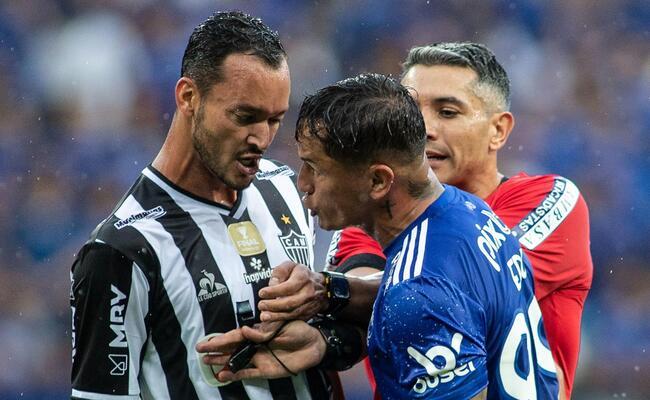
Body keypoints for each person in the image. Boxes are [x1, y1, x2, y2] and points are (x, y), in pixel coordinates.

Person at [199, 73, 559, 399]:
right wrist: (330, 295)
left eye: (316, 168)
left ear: (378, 181)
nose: (303, 184)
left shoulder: (418, 295)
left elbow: (424, 296)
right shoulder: (468, 210)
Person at [69, 11, 337, 400]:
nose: (261, 138)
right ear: (188, 97)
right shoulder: (121, 250)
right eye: (245, 117)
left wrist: (326, 305)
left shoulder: (286, 188)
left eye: (274, 120)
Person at [324, 42, 592, 399]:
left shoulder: (551, 199)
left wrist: (328, 292)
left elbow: (464, 281)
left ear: (498, 130)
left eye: (447, 112)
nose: (422, 128)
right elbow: (358, 310)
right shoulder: (368, 219)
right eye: (409, 111)